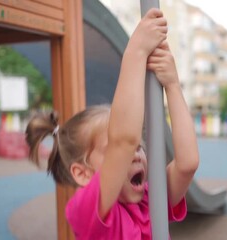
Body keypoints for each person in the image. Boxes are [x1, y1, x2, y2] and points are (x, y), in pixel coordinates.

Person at [25, 8, 199, 239]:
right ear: (83, 173)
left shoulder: (150, 199)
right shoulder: (85, 214)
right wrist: (135, 52)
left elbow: (187, 164)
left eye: (139, 147)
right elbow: (123, 140)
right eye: (117, 152)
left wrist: (173, 86)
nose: (135, 154)